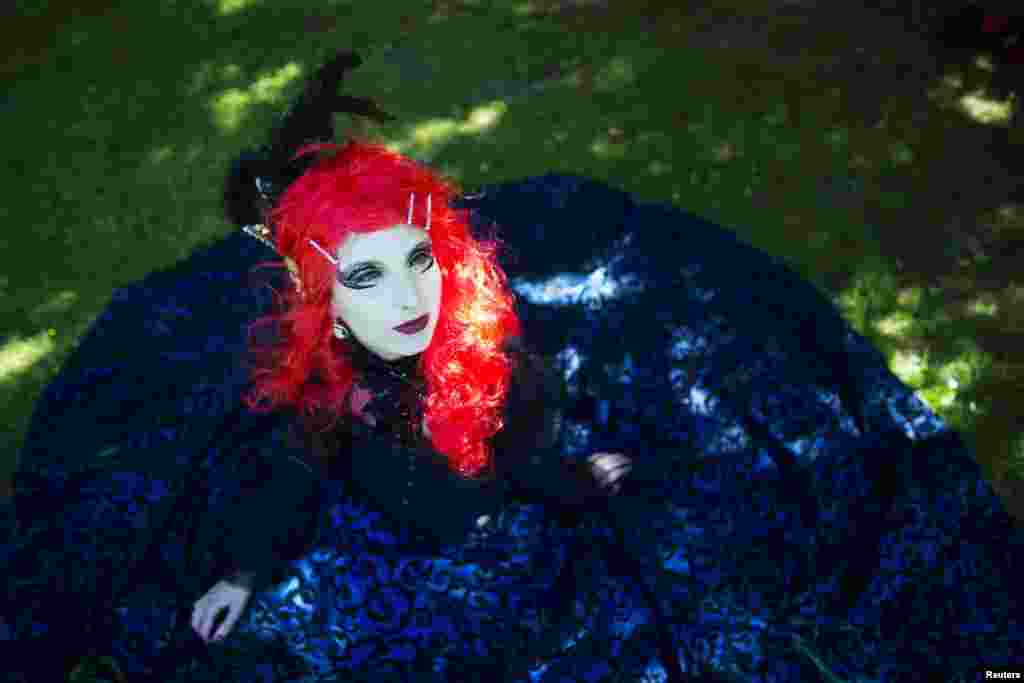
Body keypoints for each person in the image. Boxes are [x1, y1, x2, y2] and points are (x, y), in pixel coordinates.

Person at [3, 51, 1023, 682]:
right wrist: (237, 571)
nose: (409, 299)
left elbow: (524, 441)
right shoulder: (324, 384)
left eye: (418, 261)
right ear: (324, 295)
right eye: (368, 276)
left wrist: (574, 482)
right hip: (383, 531)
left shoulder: (492, 356)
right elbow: (290, 474)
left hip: (491, 522)